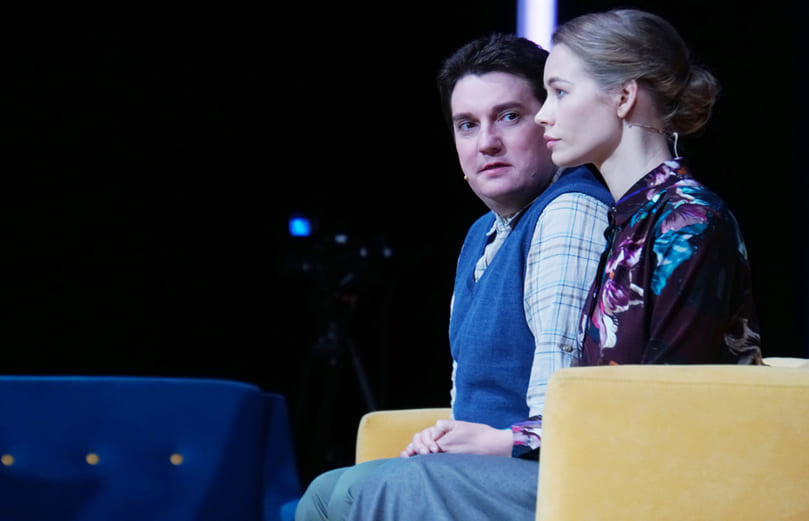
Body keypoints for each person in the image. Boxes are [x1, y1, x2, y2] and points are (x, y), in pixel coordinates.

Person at [348, 9, 763, 520]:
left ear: (623, 97)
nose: (544, 115)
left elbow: (661, 407)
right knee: (378, 484)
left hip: (656, 484)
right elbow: (592, 396)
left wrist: (509, 441)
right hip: (601, 466)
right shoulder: (625, 222)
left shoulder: (688, 220)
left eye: (559, 93)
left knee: (397, 487)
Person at [294, 33, 613, 521]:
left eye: (509, 116)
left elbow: (562, 403)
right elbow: (467, 396)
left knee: (388, 488)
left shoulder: (568, 210)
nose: (487, 143)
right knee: (325, 492)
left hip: (548, 469)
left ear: (548, 121)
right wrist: (444, 438)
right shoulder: (482, 233)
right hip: (484, 467)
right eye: (467, 125)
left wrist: (488, 444)